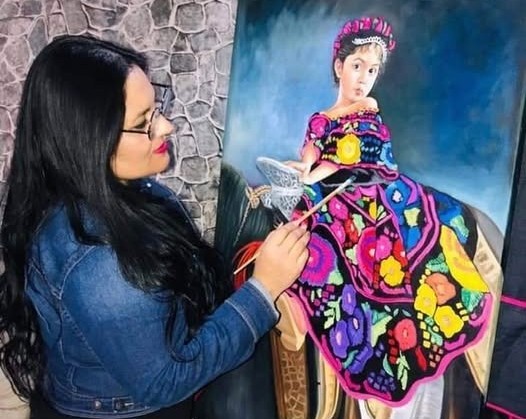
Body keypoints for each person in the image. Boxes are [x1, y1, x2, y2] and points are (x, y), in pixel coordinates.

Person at [0, 35, 310, 419]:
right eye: (143, 122)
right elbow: (164, 381)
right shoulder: (97, 261)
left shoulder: (121, 190)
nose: (167, 126)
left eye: (157, 108)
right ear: (90, 142)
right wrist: (264, 291)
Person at [255, 16, 499, 417]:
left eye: (371, 70)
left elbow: (355, 157)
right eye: (357, 66)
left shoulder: (367, 108)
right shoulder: (321, 119)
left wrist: (315, 174)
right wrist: (302, 169)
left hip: (374, 189)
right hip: (333, 191)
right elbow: (313, 152)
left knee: (387, 244)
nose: (363, 78)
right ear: (339, 66)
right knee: (308, 234)